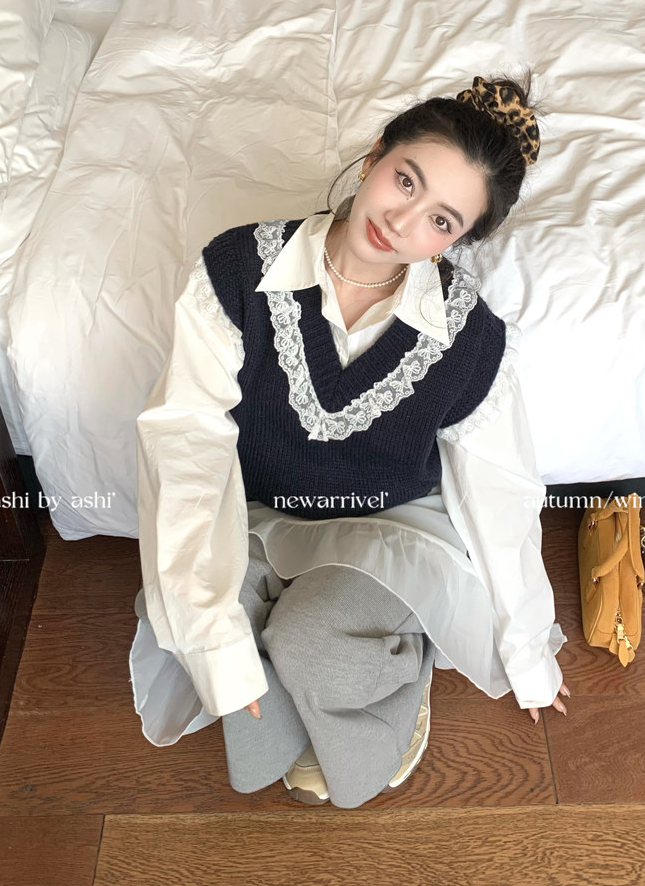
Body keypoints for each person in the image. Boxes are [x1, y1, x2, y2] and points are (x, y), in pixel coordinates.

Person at [130, 74, 570, 810]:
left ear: (457, 240)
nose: (401, 221)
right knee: (205, 632)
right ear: (374, 157)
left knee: (309, 644)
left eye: (440, 220)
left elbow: (500, 491)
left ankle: (392, 671)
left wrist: (527, 652)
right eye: (406, 181)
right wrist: (214, 634)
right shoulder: (238, 272)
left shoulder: (468, 338)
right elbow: (186, 443)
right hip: (258, 515)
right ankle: (318, 682)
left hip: (388, 528)